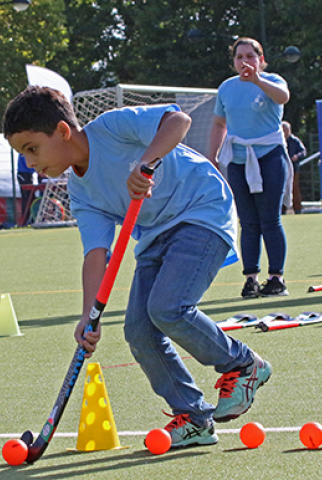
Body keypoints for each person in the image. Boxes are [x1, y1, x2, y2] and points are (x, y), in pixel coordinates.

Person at [3, 86, 272, 449]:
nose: (30, 162)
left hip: (201, 210)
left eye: (31, 149)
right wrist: (87, 316)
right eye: (22, 154)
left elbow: (178, 121)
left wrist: (147, 162)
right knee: (139, 331)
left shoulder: (113, 127)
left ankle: (242, 364)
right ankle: (194, 417)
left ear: (63, 132)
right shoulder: (81, 193)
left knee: (168, 308)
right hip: (155, 235)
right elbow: (96, 253)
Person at [208, 37, 292, 298]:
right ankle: (251, 279)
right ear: (233, 62)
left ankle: (276, 278)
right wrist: (212, 156)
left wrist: (257, 80)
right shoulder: (226, 88)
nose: (245, 62)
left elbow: (283, 97)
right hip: (238, 160)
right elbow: (220, 124)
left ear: (261, 59)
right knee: (248, 221)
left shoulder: (273, 81)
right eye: (239, 57)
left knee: (270, 219)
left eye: (250, 56)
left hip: (269, 156)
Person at [282, 121, 307, 214]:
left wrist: (297, 156)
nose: (283, 132)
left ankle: (297, 209)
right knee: (281, 189)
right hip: (282, 169)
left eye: (284, 130)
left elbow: (303, 151)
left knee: (295, 188)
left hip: (294, 168)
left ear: (289, 130)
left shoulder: (295, 140)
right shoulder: (279, 140)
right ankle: (282, 209)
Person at [16, 153, 36, 226]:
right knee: (27, 198)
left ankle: (32, 219)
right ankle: (25, 221)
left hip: (28, 174)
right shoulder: (24, 149)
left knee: (32, 198)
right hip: (23, 174)